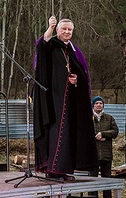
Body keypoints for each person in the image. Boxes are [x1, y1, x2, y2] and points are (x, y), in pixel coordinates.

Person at [33, 16, 98, 181]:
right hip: (53, 99)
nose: (67, 32)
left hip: (70, 101)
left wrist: (77, 80)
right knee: (56, 133)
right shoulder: (52, 45)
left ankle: (64, 170)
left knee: (69, 135)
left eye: (70, 30)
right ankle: (52, 170)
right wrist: (49, 26)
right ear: (58, 30)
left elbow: (83, 74)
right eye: (64, 29)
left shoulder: (75, 51)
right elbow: (42, 45)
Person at [88, 96, 119, 198]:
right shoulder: (88, 118)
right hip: (93, 155)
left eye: (100, 103)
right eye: (96, 103)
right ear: (93, 105)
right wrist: (96, 136)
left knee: (107, 180)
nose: (98, 105)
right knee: (92, 180)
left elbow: (115, 131)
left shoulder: (109, 118)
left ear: (103, 105)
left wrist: (104, 134)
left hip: (106, 154)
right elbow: (83, 133)